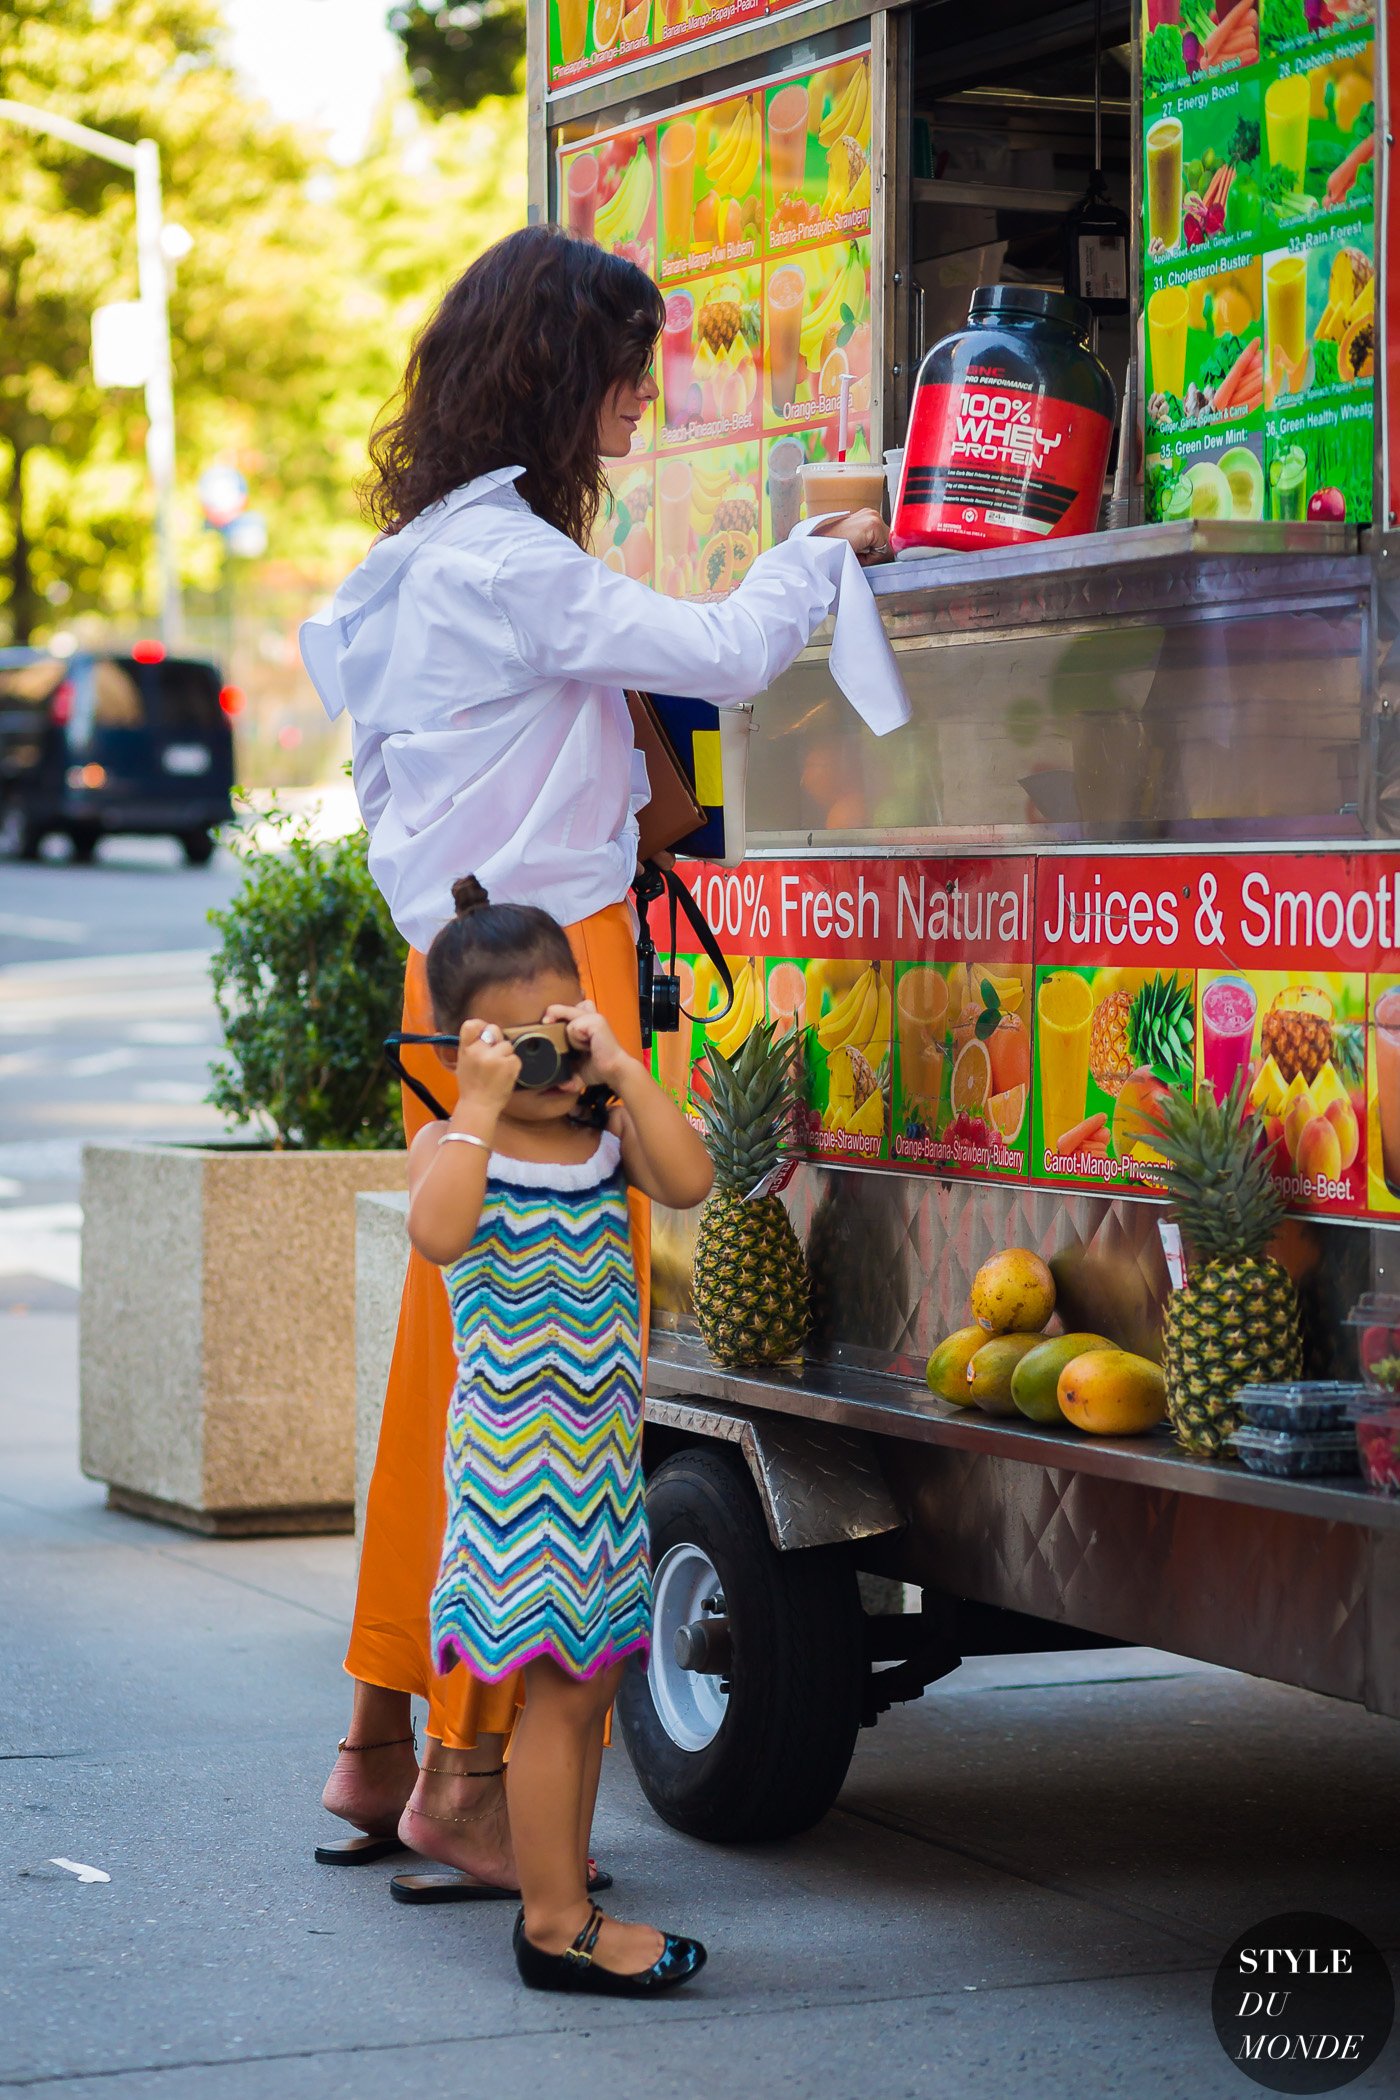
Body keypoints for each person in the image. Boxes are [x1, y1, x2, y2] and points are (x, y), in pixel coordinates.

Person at [300, 222, 908, 1893]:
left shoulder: (424, 557)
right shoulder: (506, 565)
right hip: (558, 996)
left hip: (474, 982)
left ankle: (379, 1745)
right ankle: (466, 1784)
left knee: (453, 1370)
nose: (645, 395)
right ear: (555, 376)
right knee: (543, 1388)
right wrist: (819, 543)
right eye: (627, 364)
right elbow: (718, 656)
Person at [406, 875, 713, 1990]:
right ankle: (554, 1922)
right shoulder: (455, 1146)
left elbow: (691, 1177)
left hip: (595, 1466)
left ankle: (561, 1904)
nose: (548, 1063)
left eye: (559, 1032)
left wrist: (624, 1068)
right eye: (516, 1045)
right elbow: (437, 1237)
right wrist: (480, 1107)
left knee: (583, 1689)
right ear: (466, 1050)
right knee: (560, 1693)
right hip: (513, 1474)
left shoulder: (602, 1134)